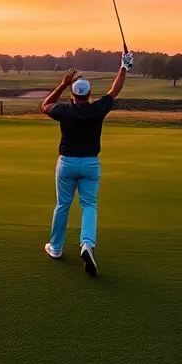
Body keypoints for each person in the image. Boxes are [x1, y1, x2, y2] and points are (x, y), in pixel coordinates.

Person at [41, 53, 134, 276]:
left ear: (73, 95)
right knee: (89, 206)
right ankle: (86, 244)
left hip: (67, 164)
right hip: (91, 164)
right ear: (89, 94)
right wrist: (124, 67)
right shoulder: (97, 109)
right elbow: (115, 90)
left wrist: (62, 84)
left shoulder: (65, 111)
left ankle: (55, 248)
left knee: (63, 205)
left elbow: (45, 105)